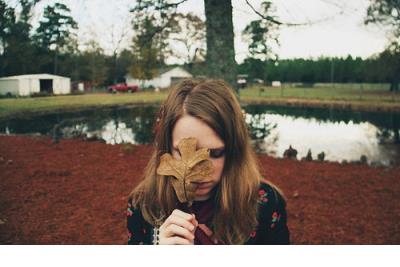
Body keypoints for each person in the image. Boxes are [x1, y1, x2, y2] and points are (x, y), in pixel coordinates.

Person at [127, 79, 290, 245]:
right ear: (166, 148)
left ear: (234, 151)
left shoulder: (265, 204)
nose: (200, 172)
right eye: (183, 152)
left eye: (215, 153)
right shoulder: (144, 204)